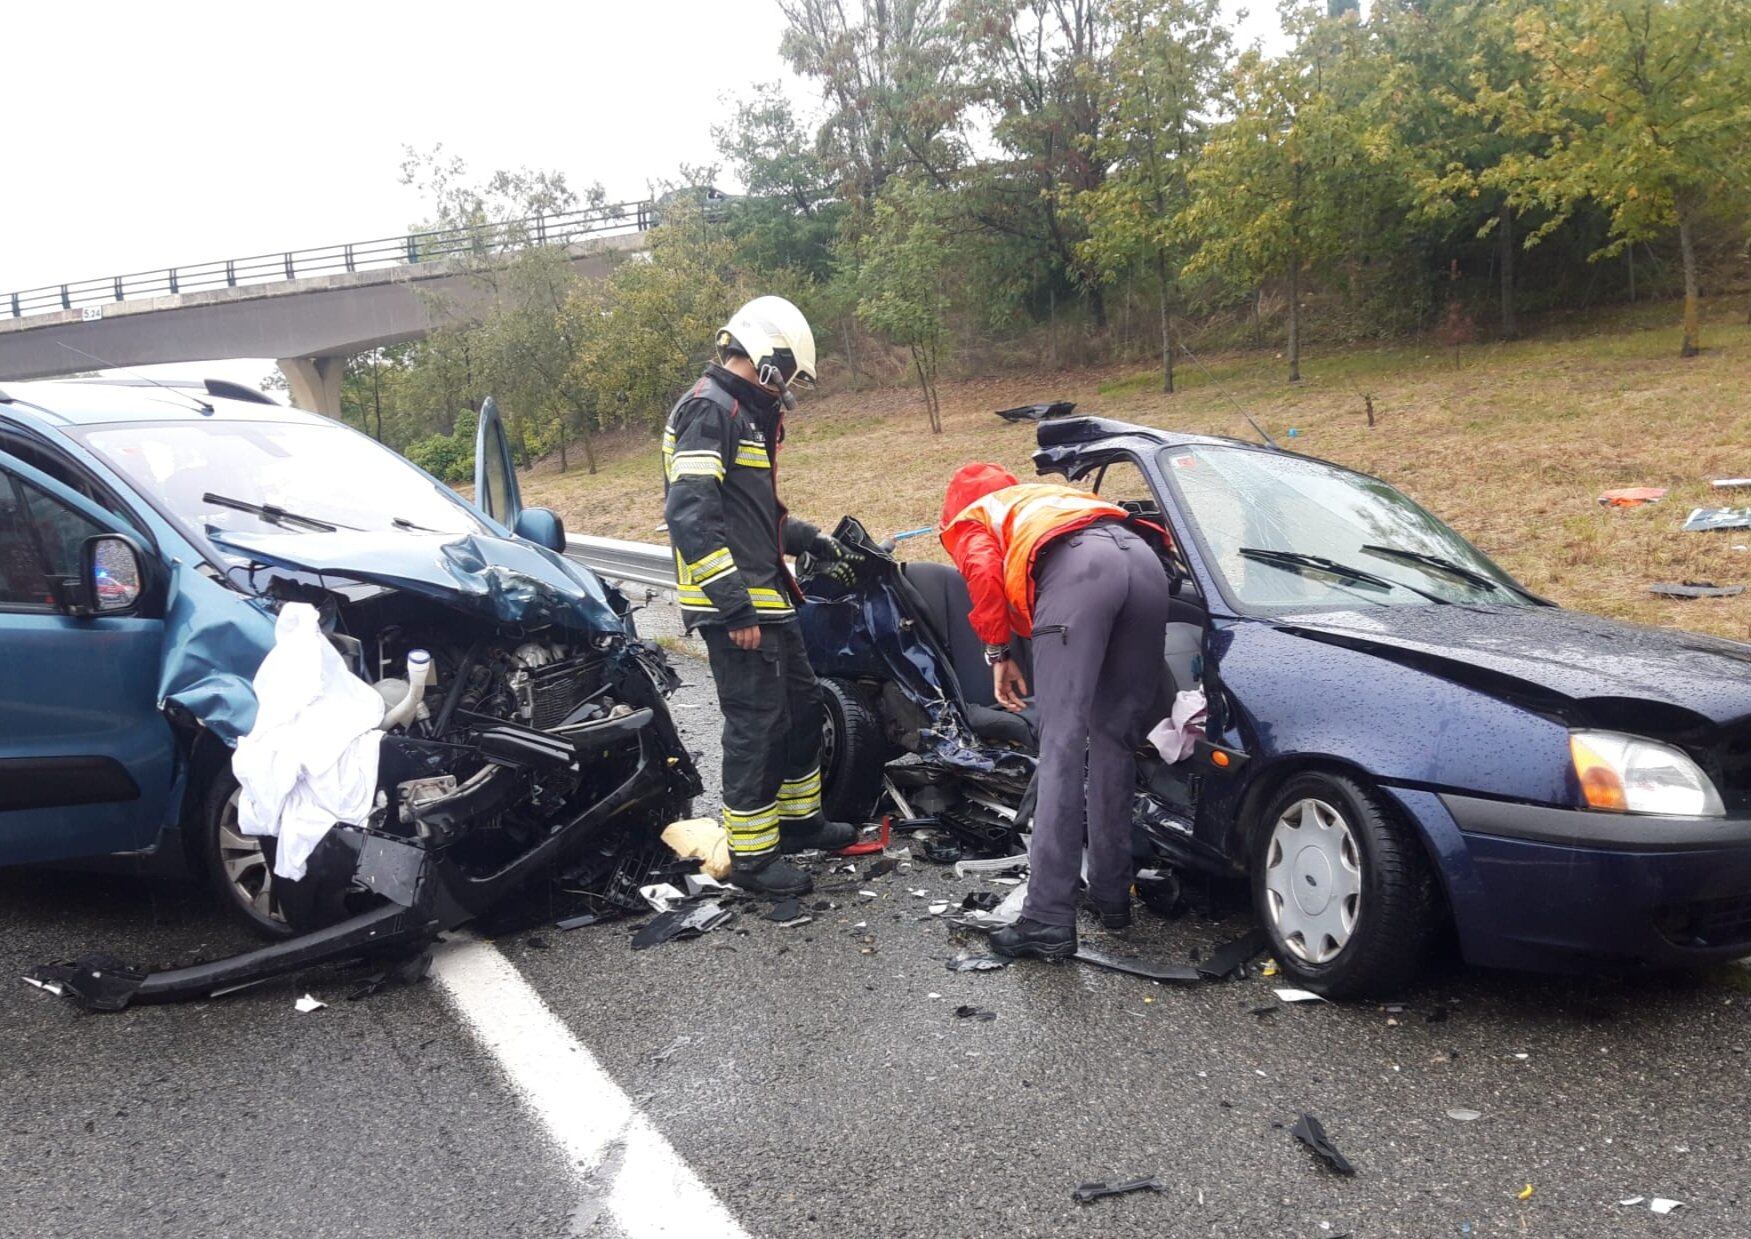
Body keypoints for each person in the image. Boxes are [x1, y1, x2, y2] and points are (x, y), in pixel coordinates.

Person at [662, 295, 861, 896]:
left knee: (800, 709)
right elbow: (691, 514)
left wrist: (805, 537)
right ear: (768, 359)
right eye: (791, 374)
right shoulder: (709, 410)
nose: (791, 387)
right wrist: (732, 604)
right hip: (739, 605)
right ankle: (751, 858)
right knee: (756, 725)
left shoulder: (744, 415)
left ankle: (801, 823)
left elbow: (748, 511)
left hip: (768, 596)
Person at [939, 463, 1175, 959]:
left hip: (1081, 572)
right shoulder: (1046, 499)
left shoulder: (975, 517)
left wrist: (997, 653)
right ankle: (1113, 897)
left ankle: (1046, 918)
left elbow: (982, 570)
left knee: (1062, 747)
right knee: (1115, 742)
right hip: (1142, 562)